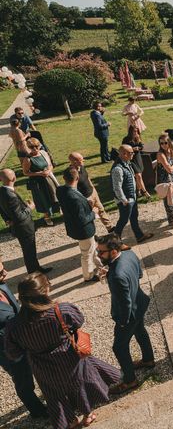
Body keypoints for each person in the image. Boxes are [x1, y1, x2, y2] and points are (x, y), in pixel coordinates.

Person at [5, 273, 121, 428]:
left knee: (53, 394)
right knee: (78, 384)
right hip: (69, 357)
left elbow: (13, 353)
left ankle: (69, 421)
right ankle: (87, 414)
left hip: (41, 365)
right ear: (45, 291)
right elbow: (79, 321)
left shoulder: (13, 326)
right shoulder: (61, 310)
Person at [97, 235, 156, 395]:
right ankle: (148, 360)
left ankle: (130, 381)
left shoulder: (117, 276)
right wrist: (110, 273)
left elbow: (125, 304)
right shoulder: (129, 254)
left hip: (129, 314)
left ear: (114, 251)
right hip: (141, 302)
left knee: (119, 347)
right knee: (140, 330)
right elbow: (138, 275)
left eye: (101, 252)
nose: (98, 255)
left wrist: (122, 322)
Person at [0, 261, 49, 420]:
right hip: (6, 349)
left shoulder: (2, 284)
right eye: (1, 272)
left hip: (23, 340)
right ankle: (37, 411)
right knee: (22, 380)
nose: (6, 273)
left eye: (3, 268)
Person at [0, 169, 51, 274]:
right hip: (24, 227)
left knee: (29, 251)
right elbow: (19, 216)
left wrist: (7, 219)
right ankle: (34, 273)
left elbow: (1, 209)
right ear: (14, 178)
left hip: (18, 227)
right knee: (29, 252)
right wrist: (30, 207)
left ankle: (36, 269)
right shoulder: (10, 195)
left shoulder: (2, 191)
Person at [56, 167, 102, 282]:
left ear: (63, 178)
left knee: (92, 249)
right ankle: (88, 276)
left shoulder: (60, 190)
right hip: (83, 230)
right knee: (86, 254)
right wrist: (93, 213)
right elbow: (82, 219)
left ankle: (100, 265)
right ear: (77, 177)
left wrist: (87, 204)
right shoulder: (74, 198)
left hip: (73, 226)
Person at [111, 145, 153, 244]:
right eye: (131, 153)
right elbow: (117, 187)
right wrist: (124, 200)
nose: (133, 154)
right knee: (123, 221)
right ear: (124, 154)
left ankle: (139, 236)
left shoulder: (127, 163)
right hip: (126, 200)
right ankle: (115, 243)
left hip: (131, 197)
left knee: (134, 217)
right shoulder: (118, 169)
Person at [68, 152, 114, 232]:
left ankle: (110, 228)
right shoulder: (72, 173)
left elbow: (87, 177)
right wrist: (84, 199)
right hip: (85, 197)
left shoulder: (81, 166)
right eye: (81, 160)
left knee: (101, 209)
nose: (83, 162)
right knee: (90, 216)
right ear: (75, 162)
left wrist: (93, 188)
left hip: (92, 192)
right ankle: (91, 233)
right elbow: (73, 189)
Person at [22, 138, 59, 226]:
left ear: (39, 145)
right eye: (31, 147)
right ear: (28, 147)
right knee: (43, 199)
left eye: (36, 146)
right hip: (38, 182)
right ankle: (47, 217)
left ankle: (58, 211)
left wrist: (48, 171)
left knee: (54, 195)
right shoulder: (28, 159)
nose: (34, 148)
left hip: (48, 178)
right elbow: (25, 172)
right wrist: (39, 173)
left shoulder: (43, 153)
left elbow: (50, 165)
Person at [121, 125, 151, 198]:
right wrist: (132, 149)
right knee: (138, 176)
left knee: (138, 176)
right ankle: (145, 192)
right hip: (131, 159)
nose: (136, 133)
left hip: (138, 158)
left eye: (137, 131)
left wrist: (139, 141)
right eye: (134, 131)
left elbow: (142, 147)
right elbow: (123, 149)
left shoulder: (137, 138)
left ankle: (138, 190)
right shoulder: (126, 139)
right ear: (130, 131)